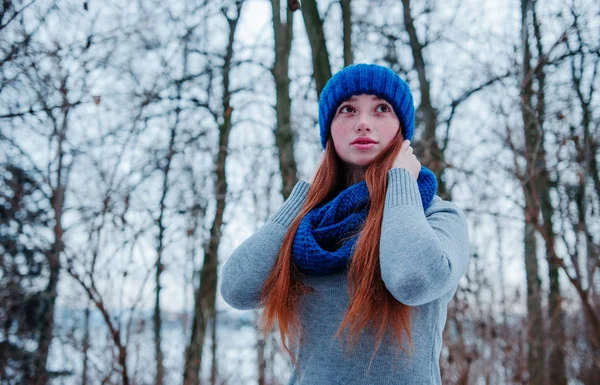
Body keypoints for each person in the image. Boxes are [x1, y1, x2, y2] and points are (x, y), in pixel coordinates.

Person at [220, 63, 470, 385]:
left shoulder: (438, 217)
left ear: (401, 130)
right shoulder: (308, 228)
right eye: (348, 109)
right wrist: (303, 197)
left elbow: (413, 281)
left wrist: (400, 181)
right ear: (329, 130)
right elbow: (238, 289)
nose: (363, 123)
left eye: (381, 109)